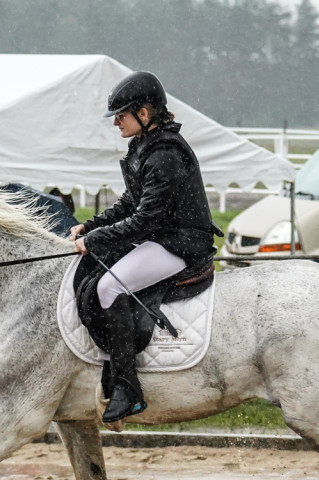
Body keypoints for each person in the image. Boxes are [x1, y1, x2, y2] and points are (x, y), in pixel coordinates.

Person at [69, 71, 220, 422]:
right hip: (162, 237)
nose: (116, 122)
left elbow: (144, 220)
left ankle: (127, 388)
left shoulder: (165, 153)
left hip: (182, 244)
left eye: (122, 115)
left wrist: (93, 240)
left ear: (145, 113)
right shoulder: (145, 146)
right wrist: (90, 225)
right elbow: (129, 203)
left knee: (109, 286)